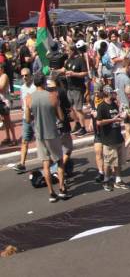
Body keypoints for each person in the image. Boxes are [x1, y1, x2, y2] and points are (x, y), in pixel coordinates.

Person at [27, 74, 68, 202]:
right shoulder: (52, 96)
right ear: (44, 82)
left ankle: (51, 193)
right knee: (59, 161)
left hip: (39, 135)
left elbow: (28, 119)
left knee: (45, 164)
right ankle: (62, 189)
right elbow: (61, 117)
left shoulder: (29, 98)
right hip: (52, 133)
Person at [95, 85, 128, 191]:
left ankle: (118, 180)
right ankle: (106, 180)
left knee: (118, 161)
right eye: (113, 92)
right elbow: (99, 122)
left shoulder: (114, 104)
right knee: (108, 162)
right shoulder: (101, 106)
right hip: (108, 139)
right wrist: (113, 120)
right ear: (108, 94)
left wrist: (121, 115)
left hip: (118, 136)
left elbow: (117, 116)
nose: (114, 94)